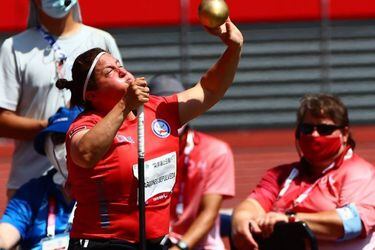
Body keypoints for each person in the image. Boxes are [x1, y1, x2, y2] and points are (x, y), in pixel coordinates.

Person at [56, 17, 243, 250]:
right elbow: (85, 153)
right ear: (91, 94)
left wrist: (233, 48)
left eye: (120, 64)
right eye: (110, 71)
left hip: (155, 241)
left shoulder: (157, 110)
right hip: (103, 242)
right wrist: (125, 104)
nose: (122, 71)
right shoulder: (85, 124)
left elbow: (208, 89)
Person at [0, 0, 123, 198]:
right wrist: (51, 127)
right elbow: (3, 120)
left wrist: (80, 131)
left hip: (93, 183)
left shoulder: (101, 40)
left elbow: (121, 105)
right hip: (30, 186)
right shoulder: (14, 47)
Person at [232, 94, 375, 250]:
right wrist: (242, 219)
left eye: (324, 129)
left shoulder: (360, 173)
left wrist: (292, 221)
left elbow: (353, 222)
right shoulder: (281, 174)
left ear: (344, 134)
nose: (314, 135)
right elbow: (253, 203)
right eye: (307, 128)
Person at [147, 74, 235, 250]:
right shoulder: (138, 152)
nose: (171, 116)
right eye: (163, 109)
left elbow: (209, 213)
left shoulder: (215, 151)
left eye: (176, 107)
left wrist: (180, 247)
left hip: (198, 246)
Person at [0, 106, 81, 250]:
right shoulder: (32, 193)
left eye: (74, 136)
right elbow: (5, 234)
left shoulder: (108, 190)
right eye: (58, 139)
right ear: (46, 147)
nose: (66, 146)